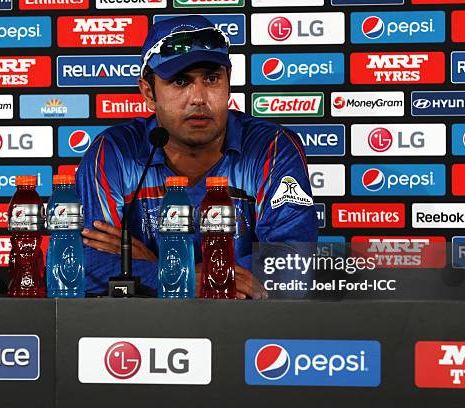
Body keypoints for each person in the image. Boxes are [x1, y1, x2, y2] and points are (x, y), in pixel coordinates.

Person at [77, 15, 318, 298]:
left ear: (229, 81)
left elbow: (293, 261)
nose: (199, 98)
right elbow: (79, 264)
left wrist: (164, 271)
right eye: (180, 82)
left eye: (212, 78)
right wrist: (192, 278)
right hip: (142, 330)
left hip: (246, 330)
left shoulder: (270, 147)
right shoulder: (116, 151)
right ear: (148, 92)